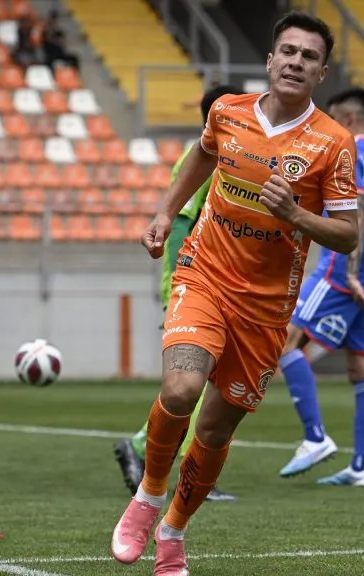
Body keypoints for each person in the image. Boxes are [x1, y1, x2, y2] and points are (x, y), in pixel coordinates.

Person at [110, 12, 359, 573]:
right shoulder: (228, 112)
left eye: (309, 56)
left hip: (267, 308)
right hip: (205, 274)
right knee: (180, 388)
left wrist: (295, 213)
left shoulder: (333, 144)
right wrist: (164, 211)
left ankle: (173, 532)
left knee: (215, 428)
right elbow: (202, 153)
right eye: (288, 51)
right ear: (270, 61)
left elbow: (348, 235)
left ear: (320, 73)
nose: (296, 61)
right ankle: (149, 495)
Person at [113, 84, 245, 503]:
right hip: (193, 282)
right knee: (200, 381)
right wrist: (177, 283)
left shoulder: (230, 155)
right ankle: (180, 469)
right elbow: (179, 227)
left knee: (206, 381)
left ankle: (145, 449)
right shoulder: (208, 158)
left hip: (220, 285)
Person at [276, 87, 364, 487]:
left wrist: (352, 271)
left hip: (339, 272)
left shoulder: (352, 155)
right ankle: (362, 467)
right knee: (361, 365)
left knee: (284, 339)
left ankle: (315, 438)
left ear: (348, 120)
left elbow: (357, 215)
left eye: (332, 119)